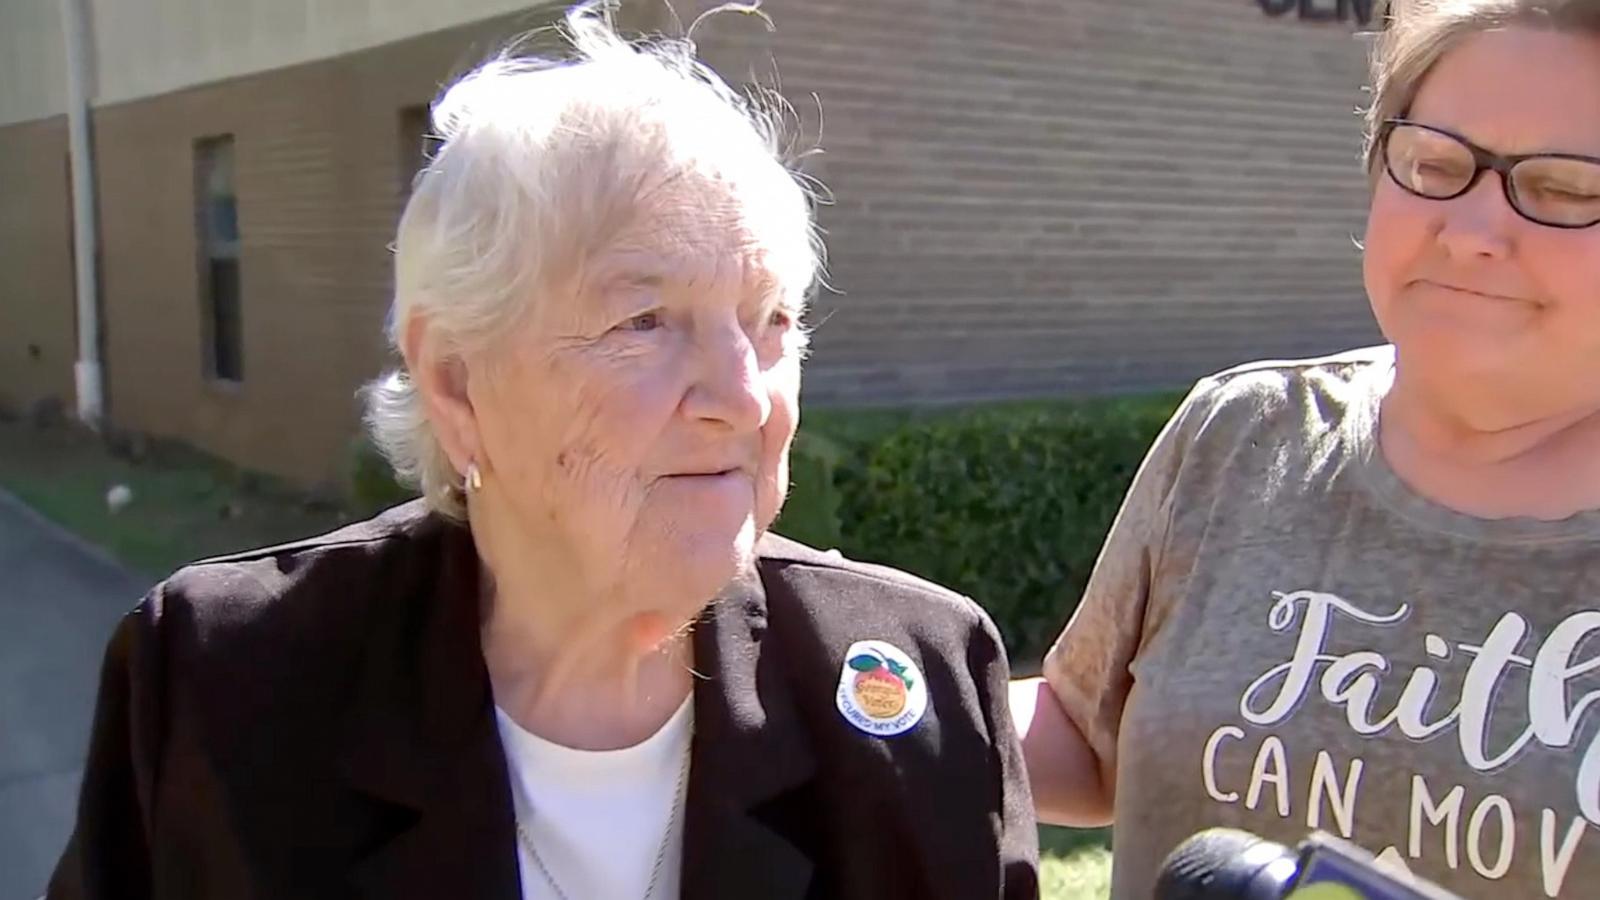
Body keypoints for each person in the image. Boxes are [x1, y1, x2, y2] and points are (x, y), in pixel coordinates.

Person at [46, 7, 1037, 899]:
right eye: (644, 320)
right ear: (457, 384)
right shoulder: (226, 688)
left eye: (769, 318)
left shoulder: (926, 686)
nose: (743, 398)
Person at [1013, 1, 1600, 897]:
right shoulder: (1247, 433)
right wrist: (845, 682)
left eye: (1564, 189)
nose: (1473, 231)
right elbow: (1089, 736)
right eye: (1435, 165)